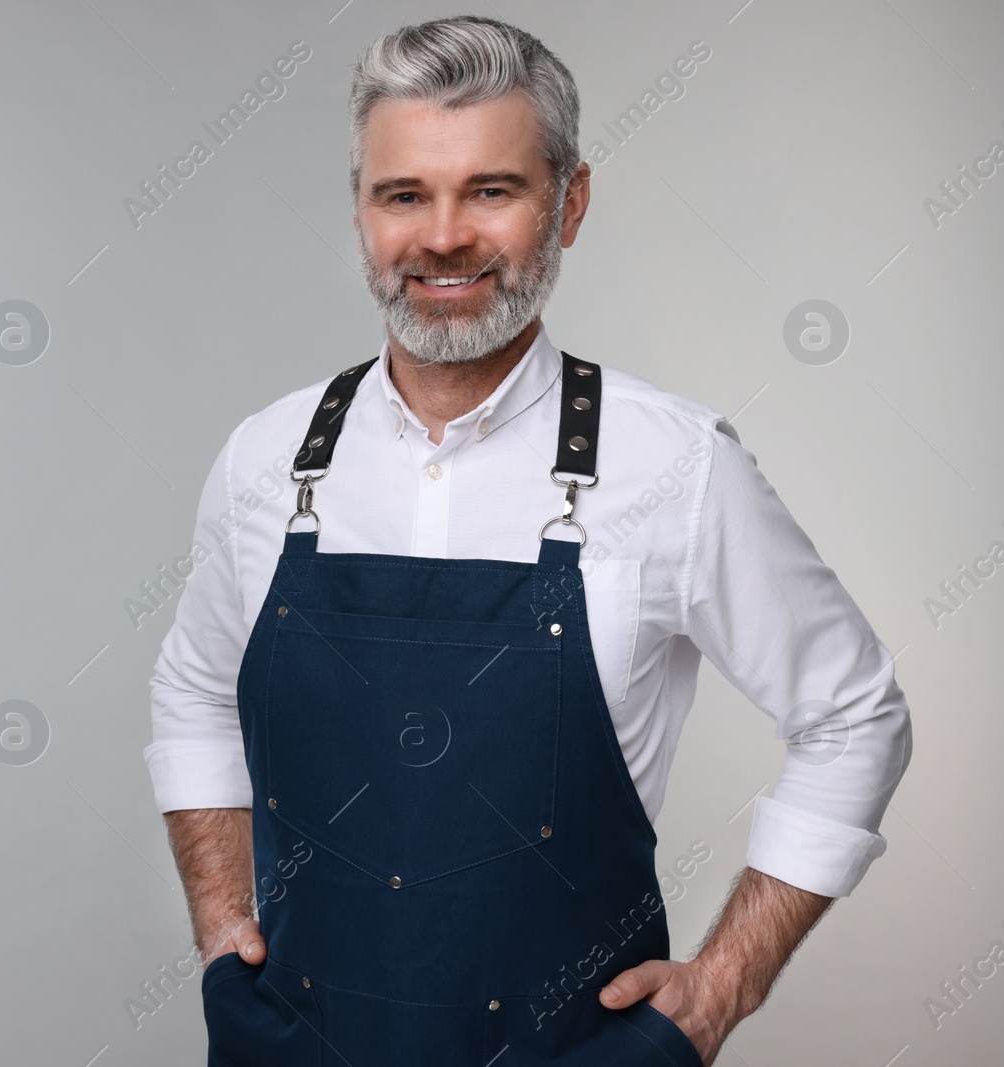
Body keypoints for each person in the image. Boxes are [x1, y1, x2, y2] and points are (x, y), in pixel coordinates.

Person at [143, 14, 911, 1065]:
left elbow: (853, 714)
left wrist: (723, 985)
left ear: (570, 203)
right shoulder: (266, 457)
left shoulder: (674, 466)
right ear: (362, 213)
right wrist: (222, 914)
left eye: (491, 190)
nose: (443, 234)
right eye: (403, 193)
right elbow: (191, 690)